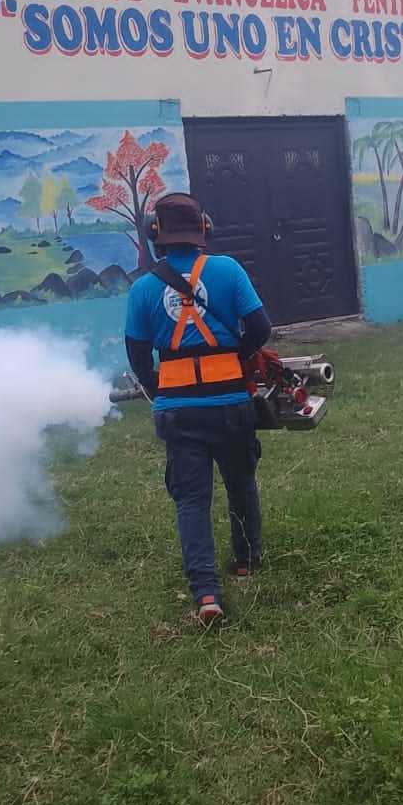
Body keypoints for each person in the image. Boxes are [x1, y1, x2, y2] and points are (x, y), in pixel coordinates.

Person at [123, 193, 272, 627]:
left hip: (179, 410)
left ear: (155, 233)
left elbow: (137, 355)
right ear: (204, 228)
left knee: (191, 501)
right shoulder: (228, 270)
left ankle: (207, 594)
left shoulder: (143, 288)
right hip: (231, 404)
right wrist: (235, 358)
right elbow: (260, 328)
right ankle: (245, 560)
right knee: (241, 483)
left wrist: (159, 386)